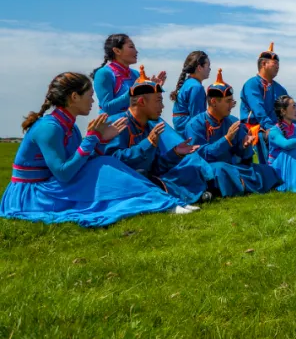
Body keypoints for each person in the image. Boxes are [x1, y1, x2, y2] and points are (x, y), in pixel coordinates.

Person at [2, 72, 196, 227]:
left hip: (51, 186)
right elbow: (63, 173)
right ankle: (160, 203)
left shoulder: (69, 126)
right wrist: (93, 139)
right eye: (89, 96)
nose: (93, 102)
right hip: (32, 195)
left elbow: (83, 162)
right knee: (103, 166)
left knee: (104, 162)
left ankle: (162, 201)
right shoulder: (49, 127)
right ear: (74, 97)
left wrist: (99, 141)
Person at [103, 66, 213, 206]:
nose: (162, 106)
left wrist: (175, 154)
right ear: (142, 102)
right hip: (123, 182)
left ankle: (188, 196)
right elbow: (113, 162)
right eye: (158, 101)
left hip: (146, 175)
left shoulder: (149, 127)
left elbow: (155, 166)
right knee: (144, 178)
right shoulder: (116, 123)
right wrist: (148, 143)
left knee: (187, 171)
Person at [185, 70, 281, 196]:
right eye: (228, 101)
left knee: (266, 170)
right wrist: (227, 139)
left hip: (234, 167)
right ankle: (239, 186)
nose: (232, 105)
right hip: (210, 167)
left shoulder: (233, 121)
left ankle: (239, 185)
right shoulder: (194, 125)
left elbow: (245, 157)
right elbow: (201, 156)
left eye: (232, 101)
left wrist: (244, 146)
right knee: (220, 170)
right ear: (214, 102)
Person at [240, 42, 296, 163]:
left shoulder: (278, 88)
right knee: (270, 135)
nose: (278, 66)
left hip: (277, 125)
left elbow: (293, 106)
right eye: (275, 63)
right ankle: (272, 168)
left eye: (278, 63)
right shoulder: (252, 84)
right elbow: (259, 112)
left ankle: (293, 164)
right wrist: (272, 128)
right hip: (258, 127)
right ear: (263, 64)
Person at [92, 33, 166, 117]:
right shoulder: (104, 73)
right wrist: (133, 92)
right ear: (117, 51)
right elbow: (107, 108)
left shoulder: (135, 74)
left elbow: (142, 104)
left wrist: (153, 89)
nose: (136, 51)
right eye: (131, 47)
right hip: (114, 125)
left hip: (135, 123)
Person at [170, 50, 210, 136]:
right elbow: (197, 118)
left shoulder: (188, 83)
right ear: (199, 68)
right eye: (208, 65)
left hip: (181, 132)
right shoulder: (196, 87)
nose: (210, 69)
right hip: (189, 135)